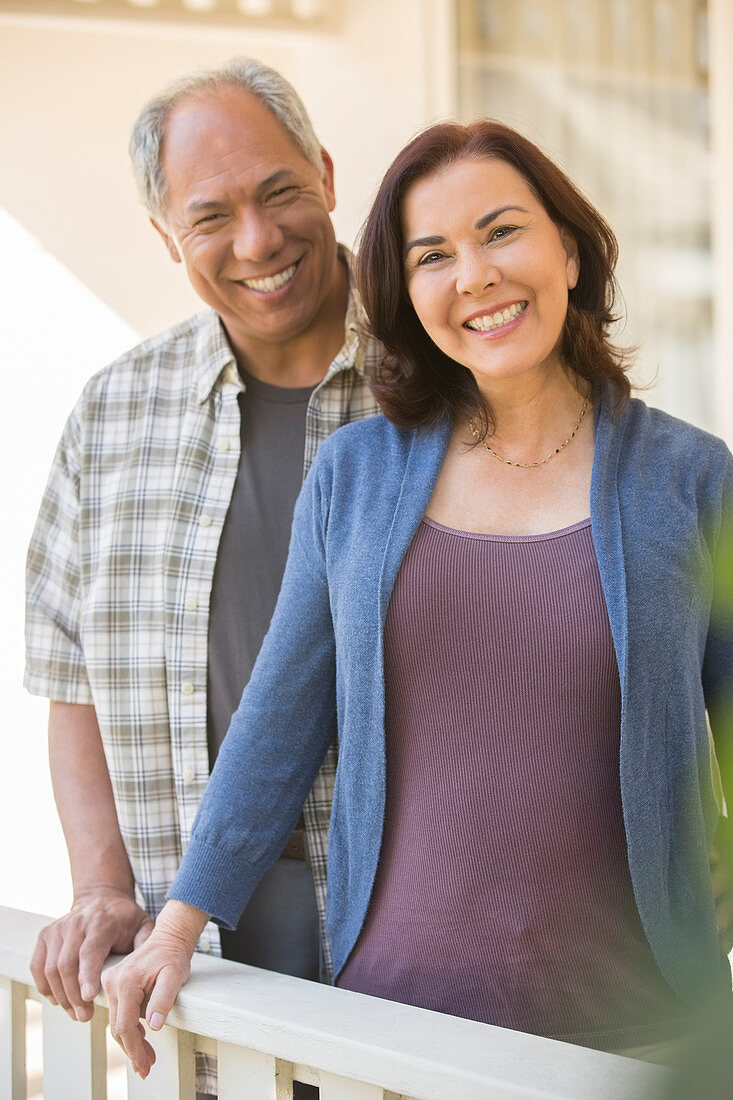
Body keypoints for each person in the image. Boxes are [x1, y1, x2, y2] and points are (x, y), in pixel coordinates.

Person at [103, 119, 733, 1080]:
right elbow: (280, 717)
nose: (473, 275)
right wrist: (179, 923)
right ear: (407, 295)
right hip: (389, 1031)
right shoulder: (356, 473)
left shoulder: (689, 480)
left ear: (568, 248)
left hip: (642, 1037)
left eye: (500, 232)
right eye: (432, 255)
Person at [24, 58, 381, 1094]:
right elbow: (70, 676)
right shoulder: (112, 413)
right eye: (212, 215)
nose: (258, 241)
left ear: (322, 172)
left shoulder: (443, 383)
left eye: (277, 192)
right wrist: (99, 885)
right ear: (165, 238)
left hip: (420, 979)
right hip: (198, 983)